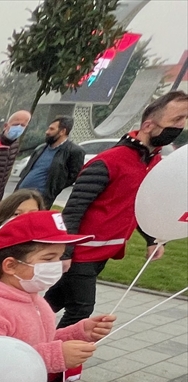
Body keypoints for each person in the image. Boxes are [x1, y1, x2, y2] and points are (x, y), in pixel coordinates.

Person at [45, 91, 188, 341]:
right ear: (148, 125)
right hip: (81, 253)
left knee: (50, 303)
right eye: (176, 119)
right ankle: (53, 364)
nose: (180, 126)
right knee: (81, 310)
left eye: (184, 120)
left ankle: (20, 338)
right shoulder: (108, 161)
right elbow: (74, 208)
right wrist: (65, 251)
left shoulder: (152, 164)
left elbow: (140, 206)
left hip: (103, 253)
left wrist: (151, 239)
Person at [0, 210, 113, 382]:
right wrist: (55, 356)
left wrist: (78, 332)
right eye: (48, 258)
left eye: (60, 257)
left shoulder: (36, 300)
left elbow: (38, 340)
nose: (59, 264)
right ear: (10, 265)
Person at [14, 116, 84, 209]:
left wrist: (54, 188)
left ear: (62, 131)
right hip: (20, 193)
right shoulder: (41, 148)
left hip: (41, 199)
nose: (47, 132)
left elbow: (73, 175)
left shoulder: (74, 151)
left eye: (52, 129)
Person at [0, 110, 31, 199]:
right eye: (16, 124)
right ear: (6, 125)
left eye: (23, 125)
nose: (19, 128)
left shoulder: (15, 145)